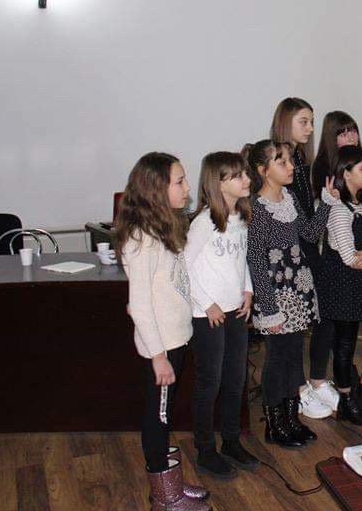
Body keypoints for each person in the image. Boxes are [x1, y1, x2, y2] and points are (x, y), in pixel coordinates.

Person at [114, 152, 210, 511]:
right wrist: (158, 357)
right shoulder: (141, 239)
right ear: (157, 188)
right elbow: (140, 305)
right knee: (158, 419)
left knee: (164, 416)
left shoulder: (163, 228)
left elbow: (173, 285)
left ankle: (173, 485)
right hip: (163, 347)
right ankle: (165, 498)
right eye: (179, 182)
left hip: (175, 339)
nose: (187, 188)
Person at [244, 139, 337, 449]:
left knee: (295, 356)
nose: (290, 167)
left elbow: (309, 233)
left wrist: (326, 204)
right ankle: (275, 424)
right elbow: (256, 261)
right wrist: (269, 308)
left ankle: (291, 417)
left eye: (290, 161)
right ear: (263, 170)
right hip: (274, 293)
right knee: (277, 358)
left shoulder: (291, 198)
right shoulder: (256, 208)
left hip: (298, 287)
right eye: (281, 162)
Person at [184, 152, 260, 479]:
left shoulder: (240, 218)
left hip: (235, 310)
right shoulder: (204, 222)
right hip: (208, 315)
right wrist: (207, 303)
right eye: (238, 175)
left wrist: (248, 290)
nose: (247, 180)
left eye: (245, 173)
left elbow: (240, 262)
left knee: (235, 378)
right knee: (209, 382)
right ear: (219, 183)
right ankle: (205, 449)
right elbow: (183, 267)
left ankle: (230, 441)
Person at [270, 97, 339, 417]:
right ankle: (298, 390)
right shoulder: (281, 163)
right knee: (292, 328)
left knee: (317, 318)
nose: (311, 129)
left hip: (306, 248)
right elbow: (300, 226)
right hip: (290, 257)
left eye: (312, 121)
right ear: (285, 122)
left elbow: (307, 226)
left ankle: (312, 383)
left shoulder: (300, 161)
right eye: (304, 121)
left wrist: (324, 204)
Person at [320, 145, 362, 425]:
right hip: (343, 287)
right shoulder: (339, 210)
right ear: (346, 173)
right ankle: (346, 401)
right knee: (345, 346)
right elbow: (350, 258)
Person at [312, 110, 362, 195]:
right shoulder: (321, 167)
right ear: (332, 139)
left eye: (354, 131)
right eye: (344, 135)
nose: (351, 139)